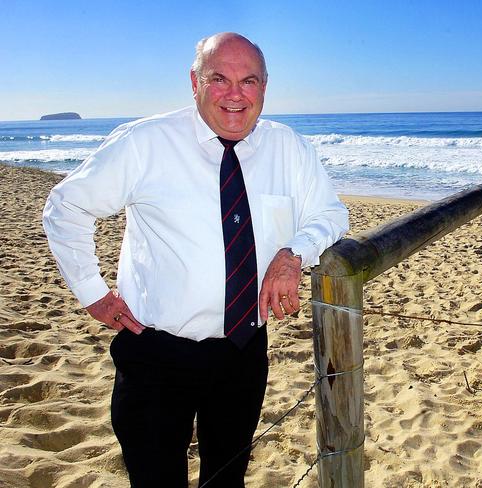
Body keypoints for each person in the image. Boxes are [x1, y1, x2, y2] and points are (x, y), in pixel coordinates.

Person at [42, 32, 349, 487]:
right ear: (195, 82)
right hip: (155, 356)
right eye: (219, 78)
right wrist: (92, 293)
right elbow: (66, 208)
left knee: (226, 480)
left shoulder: (289, 148)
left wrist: (294, 253)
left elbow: (331, 213)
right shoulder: (145, 142)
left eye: (249, 81)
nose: (235, 94)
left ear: (265, 86)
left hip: (243, 353)